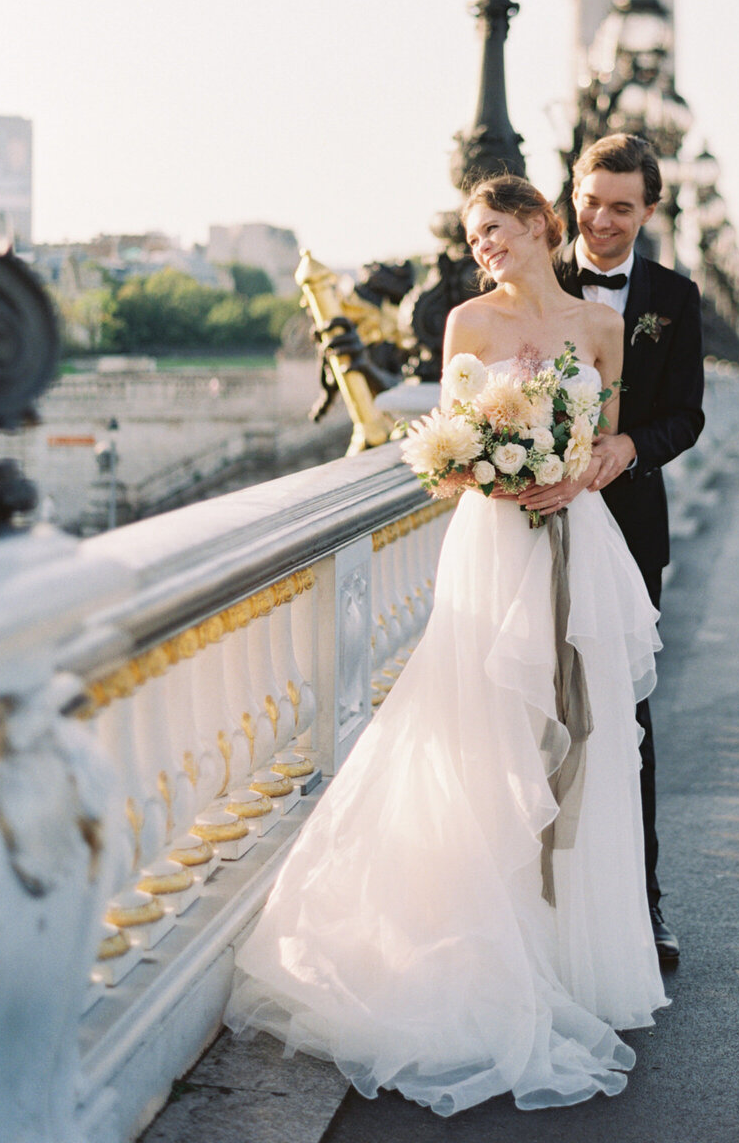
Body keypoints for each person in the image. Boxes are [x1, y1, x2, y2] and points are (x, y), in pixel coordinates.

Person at [225, 175, 667, 1114]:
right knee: (482, 733)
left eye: (497, 231)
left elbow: (610, 435)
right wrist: (497, 475)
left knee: (583, 739)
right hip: (493, 548)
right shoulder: (464, 324)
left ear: (543, 226)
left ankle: (567, 958)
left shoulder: (599, 330)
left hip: (577, 541)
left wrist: (573, 474)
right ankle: (487, 938)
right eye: (473, 239)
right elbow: (448, 449)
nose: (484, 251)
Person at [544, 133, 705, 965]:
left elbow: (687, 413)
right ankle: (535, 899)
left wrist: (629, 448)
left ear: (650, 210)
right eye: (589, 199)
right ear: (570, 189)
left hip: (630, 530)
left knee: (624, 716)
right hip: (535, 528)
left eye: (621, 207)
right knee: (534, 711)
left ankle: (641, 902)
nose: (600, 221)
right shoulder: (536, 275)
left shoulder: (675, 298)